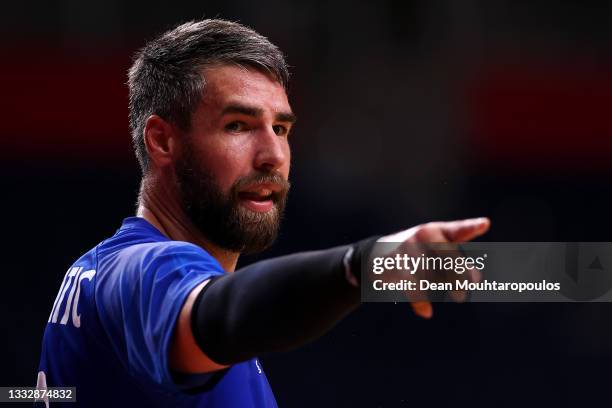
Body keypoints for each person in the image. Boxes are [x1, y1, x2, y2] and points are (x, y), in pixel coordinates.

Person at [36, 19, 490, 407]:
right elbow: (221, 315)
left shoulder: (96, 273)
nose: (273, 154)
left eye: (281, 128)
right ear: (162, 141)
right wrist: (362, 265)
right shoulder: (147, 269)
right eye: (238, 126)